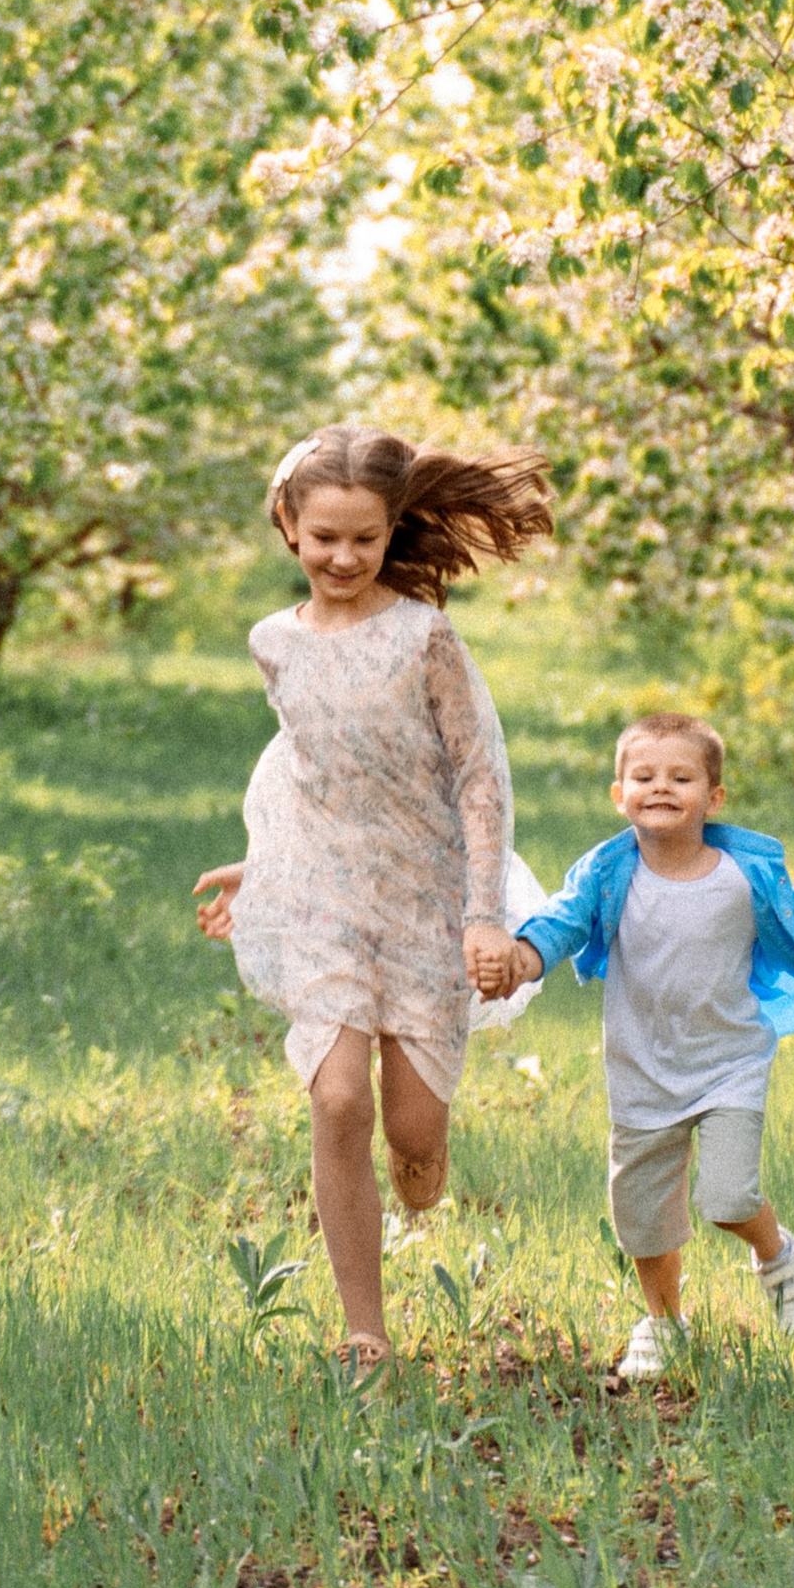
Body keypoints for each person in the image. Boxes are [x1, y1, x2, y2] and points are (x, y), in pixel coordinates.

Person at [192, 424, 554, 1364]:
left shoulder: (423, 636)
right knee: (340, 1100)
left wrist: (483, 913)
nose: (343, 557)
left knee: (414, 1138)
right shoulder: (273, 641)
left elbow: (482, 776)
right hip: (322, 893)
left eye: (365, 538)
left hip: (427, 892)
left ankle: (421, 1169)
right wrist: (259, 868)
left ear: (394, 531)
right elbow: (295, 768)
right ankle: (365, 1330)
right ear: (288, 527)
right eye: (324, 538)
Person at [477, 708, 794, 1377]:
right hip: (642, 1073)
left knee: (728, 1197)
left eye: (680, 777)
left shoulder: (743, 876)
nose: (660, 787)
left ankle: (777, 1259)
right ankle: (664, 1322)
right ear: (618, 794)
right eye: (643, 776)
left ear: (712, 798)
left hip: (729, 1065)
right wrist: (518, 959)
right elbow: (559, 926)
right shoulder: (607, 872)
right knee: (644, 1220)